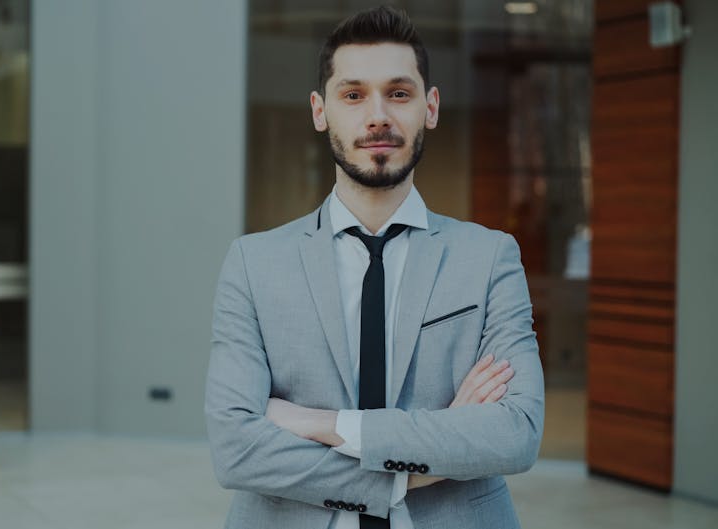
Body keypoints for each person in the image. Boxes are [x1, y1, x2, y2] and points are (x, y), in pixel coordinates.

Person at [205, 6, 544, 529]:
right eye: (354, 94)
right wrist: (411, 471)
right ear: (321, 111)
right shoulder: (253, 263)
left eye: (399, 93)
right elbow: (235, 449)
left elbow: (516, 433)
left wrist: (321, 424)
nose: (378, 116)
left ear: (430, 107)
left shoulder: (490, 257)